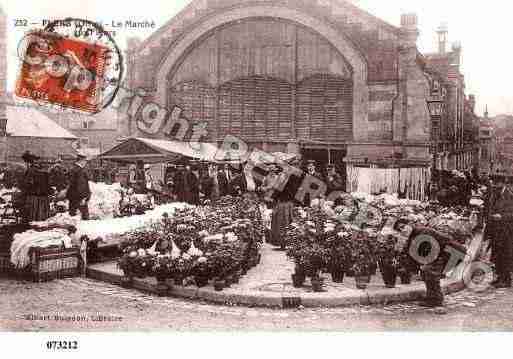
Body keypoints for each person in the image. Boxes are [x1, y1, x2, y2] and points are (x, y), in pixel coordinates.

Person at [487, 174, 513, 288]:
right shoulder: (494, 195)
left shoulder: (509, 196)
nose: (494, 185)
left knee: (505, 255)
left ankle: (506, 279)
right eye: (493, 183)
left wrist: (501, 216)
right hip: (496, 231)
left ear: (503, 183)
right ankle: (499, 277)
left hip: (506, 231)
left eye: (496, 183)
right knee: (496, 254)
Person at [20, 151, 52, 223]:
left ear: (28, 162)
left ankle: (33, 226)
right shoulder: (44, 170)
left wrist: (22, 189)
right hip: (44, 196)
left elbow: (28, 183)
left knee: (33, 216)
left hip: (34, 197)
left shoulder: (31, 171)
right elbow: (49, 183)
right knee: (42, 217)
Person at [66, 154, 91, 220]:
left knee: (72, 214)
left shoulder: (73, 169)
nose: (86, 162)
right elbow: (81, 185)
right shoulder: (79, 171)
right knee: (85, 216)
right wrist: (84, 196)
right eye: (85, 161)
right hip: (79, 196)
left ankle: (71, 227)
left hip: (73, 196)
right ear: (81, 161)